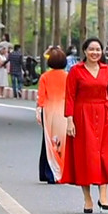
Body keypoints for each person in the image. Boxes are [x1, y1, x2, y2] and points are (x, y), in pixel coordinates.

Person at [62, 37, 108, 212]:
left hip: (104, 116)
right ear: (84, 51)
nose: (95, 53)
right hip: (82, 116)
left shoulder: (106, 71)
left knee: (104, 154)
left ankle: (103, 195)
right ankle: (87, 198)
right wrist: (69, 120)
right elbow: (70, 96)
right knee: (86, 156)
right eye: (91, 49)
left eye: (98, 50)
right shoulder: (76, 71)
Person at [36, 47, 70, 184]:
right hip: (64, 112)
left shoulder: (45, 77)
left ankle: (47, 173)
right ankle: (61, 172)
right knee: (62, 142)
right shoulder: (68, 76)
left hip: (49, 111)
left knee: (48, 141)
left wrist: (39, 110)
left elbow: (41, 97)